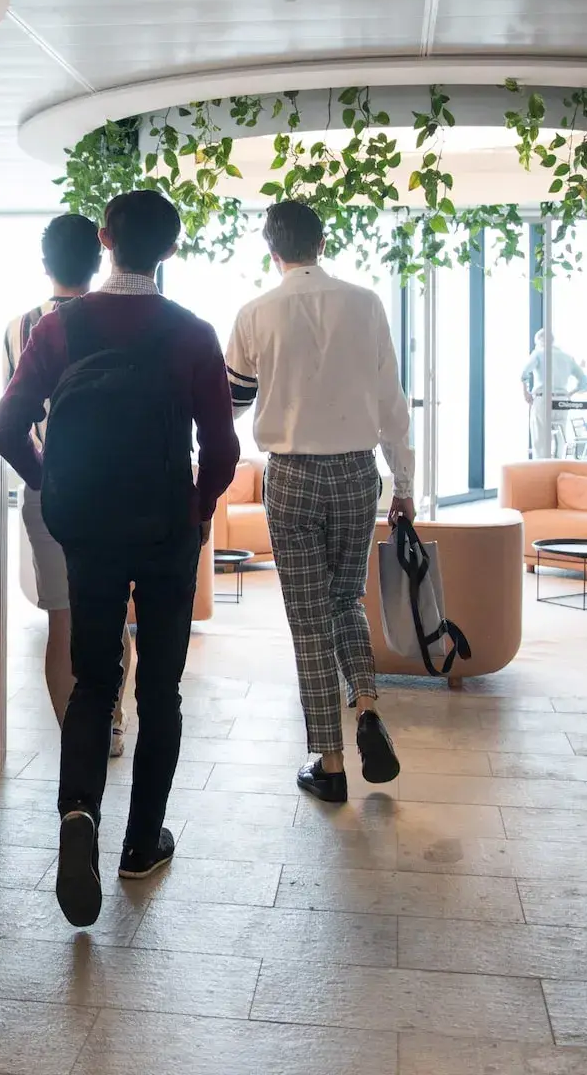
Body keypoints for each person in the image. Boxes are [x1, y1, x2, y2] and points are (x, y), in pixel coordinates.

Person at [0, 190, 239, 926]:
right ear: (169, 250)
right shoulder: (192, 334)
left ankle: (78, 816)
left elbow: (6, 427)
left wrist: (50, 483)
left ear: (104, 240)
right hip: (166, 531)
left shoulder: (59, 329)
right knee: (160, 690)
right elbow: (222, 450)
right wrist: (195, 509)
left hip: (88, 529)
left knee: (94, 680)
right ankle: (140, 844)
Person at [224, 200, 409, 805]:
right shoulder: (367, 304)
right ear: (322, 241)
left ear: (271, 249)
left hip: (293, 475)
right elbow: (391, 404)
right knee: (344, 598)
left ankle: (329, 762)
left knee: (308, 616)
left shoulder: (255, 312)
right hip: (358, 472)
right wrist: (403, 485)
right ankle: (368, 705)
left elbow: (232, 401)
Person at [2, 214, 133, 757]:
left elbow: (11, 414)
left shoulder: (22, 326)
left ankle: (78, 739)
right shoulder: (117, 321)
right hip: (117, 487)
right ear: (101, 257)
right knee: (112, 611)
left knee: (63, 619)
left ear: (45, 265)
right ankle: (114, 722)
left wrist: (40, 476)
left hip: (51, 485)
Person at [520, 329, 587, 458]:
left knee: (540, 440)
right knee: (560, 439)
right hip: (562, 401)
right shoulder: (567, 357)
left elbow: (524, 373)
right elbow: (584, 381)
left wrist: (526, 392)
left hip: (543, 399)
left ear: (539, 341)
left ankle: (541, 471)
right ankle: (557, 467)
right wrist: (570, 393)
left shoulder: (538, 353)